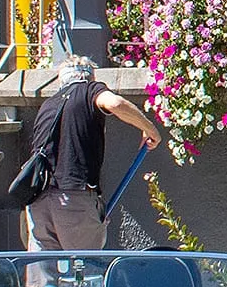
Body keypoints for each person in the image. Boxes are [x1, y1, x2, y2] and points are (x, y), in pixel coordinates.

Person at [21, 53, 163, 250]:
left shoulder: (48, 104)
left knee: (44, 272)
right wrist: (150, 129)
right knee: (87, 270)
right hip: (74, 198)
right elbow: (115, 103)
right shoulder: (89, 90)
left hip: (38, 202)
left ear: (61, 80)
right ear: (89, 76)